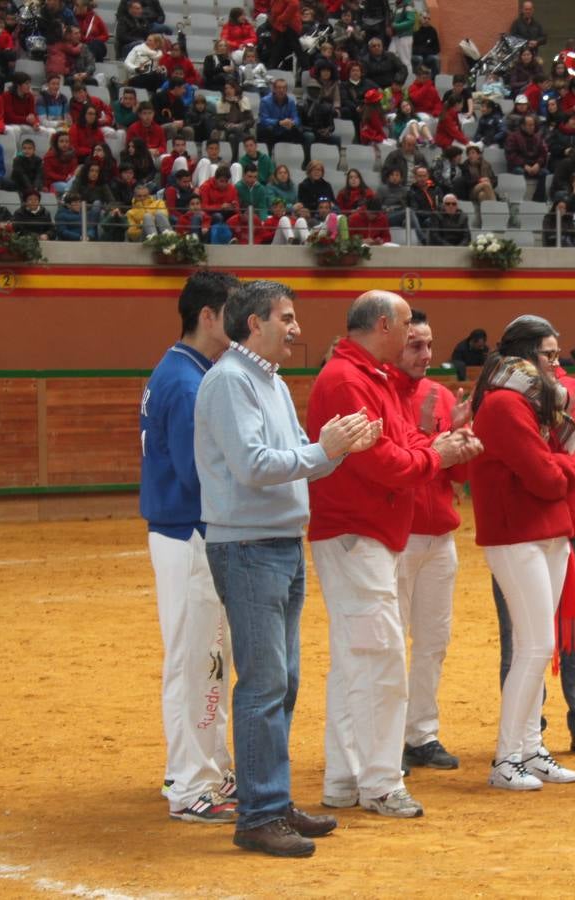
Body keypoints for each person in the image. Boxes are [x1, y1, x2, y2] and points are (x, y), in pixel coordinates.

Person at [195, 280, 380, 857]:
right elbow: (253, 466)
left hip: (274, 544)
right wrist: (324, 449)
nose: (297, 329)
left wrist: (342, 446)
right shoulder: (231, 381)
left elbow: (300, 461)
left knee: (282, 683)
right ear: (254, 323)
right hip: (250, 546)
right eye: (287, 317)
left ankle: (271, 802)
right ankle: (258, 814)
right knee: (265, 685)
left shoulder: (266, 381)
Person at [308, 291, 477, 819]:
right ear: (383, 324)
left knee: (358, 660)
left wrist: (433, 450)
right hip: (359, 535)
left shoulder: (364, 376)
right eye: (406, 327)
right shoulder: (348, 380)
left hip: (365, 536)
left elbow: (402, 445)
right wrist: (437, 454)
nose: (411, 338)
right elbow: (386, 463)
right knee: (381, 659)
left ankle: (345, 777)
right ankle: (380, 782)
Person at [469, 315, 575, 790]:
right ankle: (506, 759)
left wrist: (563, 468)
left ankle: (527, 748)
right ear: (524, 356)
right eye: (549, 355)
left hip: (545, 532)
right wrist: (572, 465)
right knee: (536, 646)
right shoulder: (504, 405)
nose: (556, 364)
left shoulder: (533, 402)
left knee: (536, 648)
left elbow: (553, 471)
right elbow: (547, 478)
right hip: (516, 533)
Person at [141, 271, 240, 824]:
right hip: (189, 530)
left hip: (183, 529)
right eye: (233, 310)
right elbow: (195, 471)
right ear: (208, 315)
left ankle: (199, 767)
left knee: (202, 656)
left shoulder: (187, 371)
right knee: (196, 658)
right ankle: (190, 782)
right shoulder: (187, 382)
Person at [393, 310, 471, 772]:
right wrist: (427, 434)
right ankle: (388, 738)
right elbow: (394, 465)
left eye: (428, 344)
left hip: (439, 533)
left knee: (433, 641)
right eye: (415, 345)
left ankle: (420, 734)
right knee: (390, 643)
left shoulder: (442, 394)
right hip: (397, 537)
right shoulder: (384, 393)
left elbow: (457, 475)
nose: (426, 354)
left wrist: (460, 436)